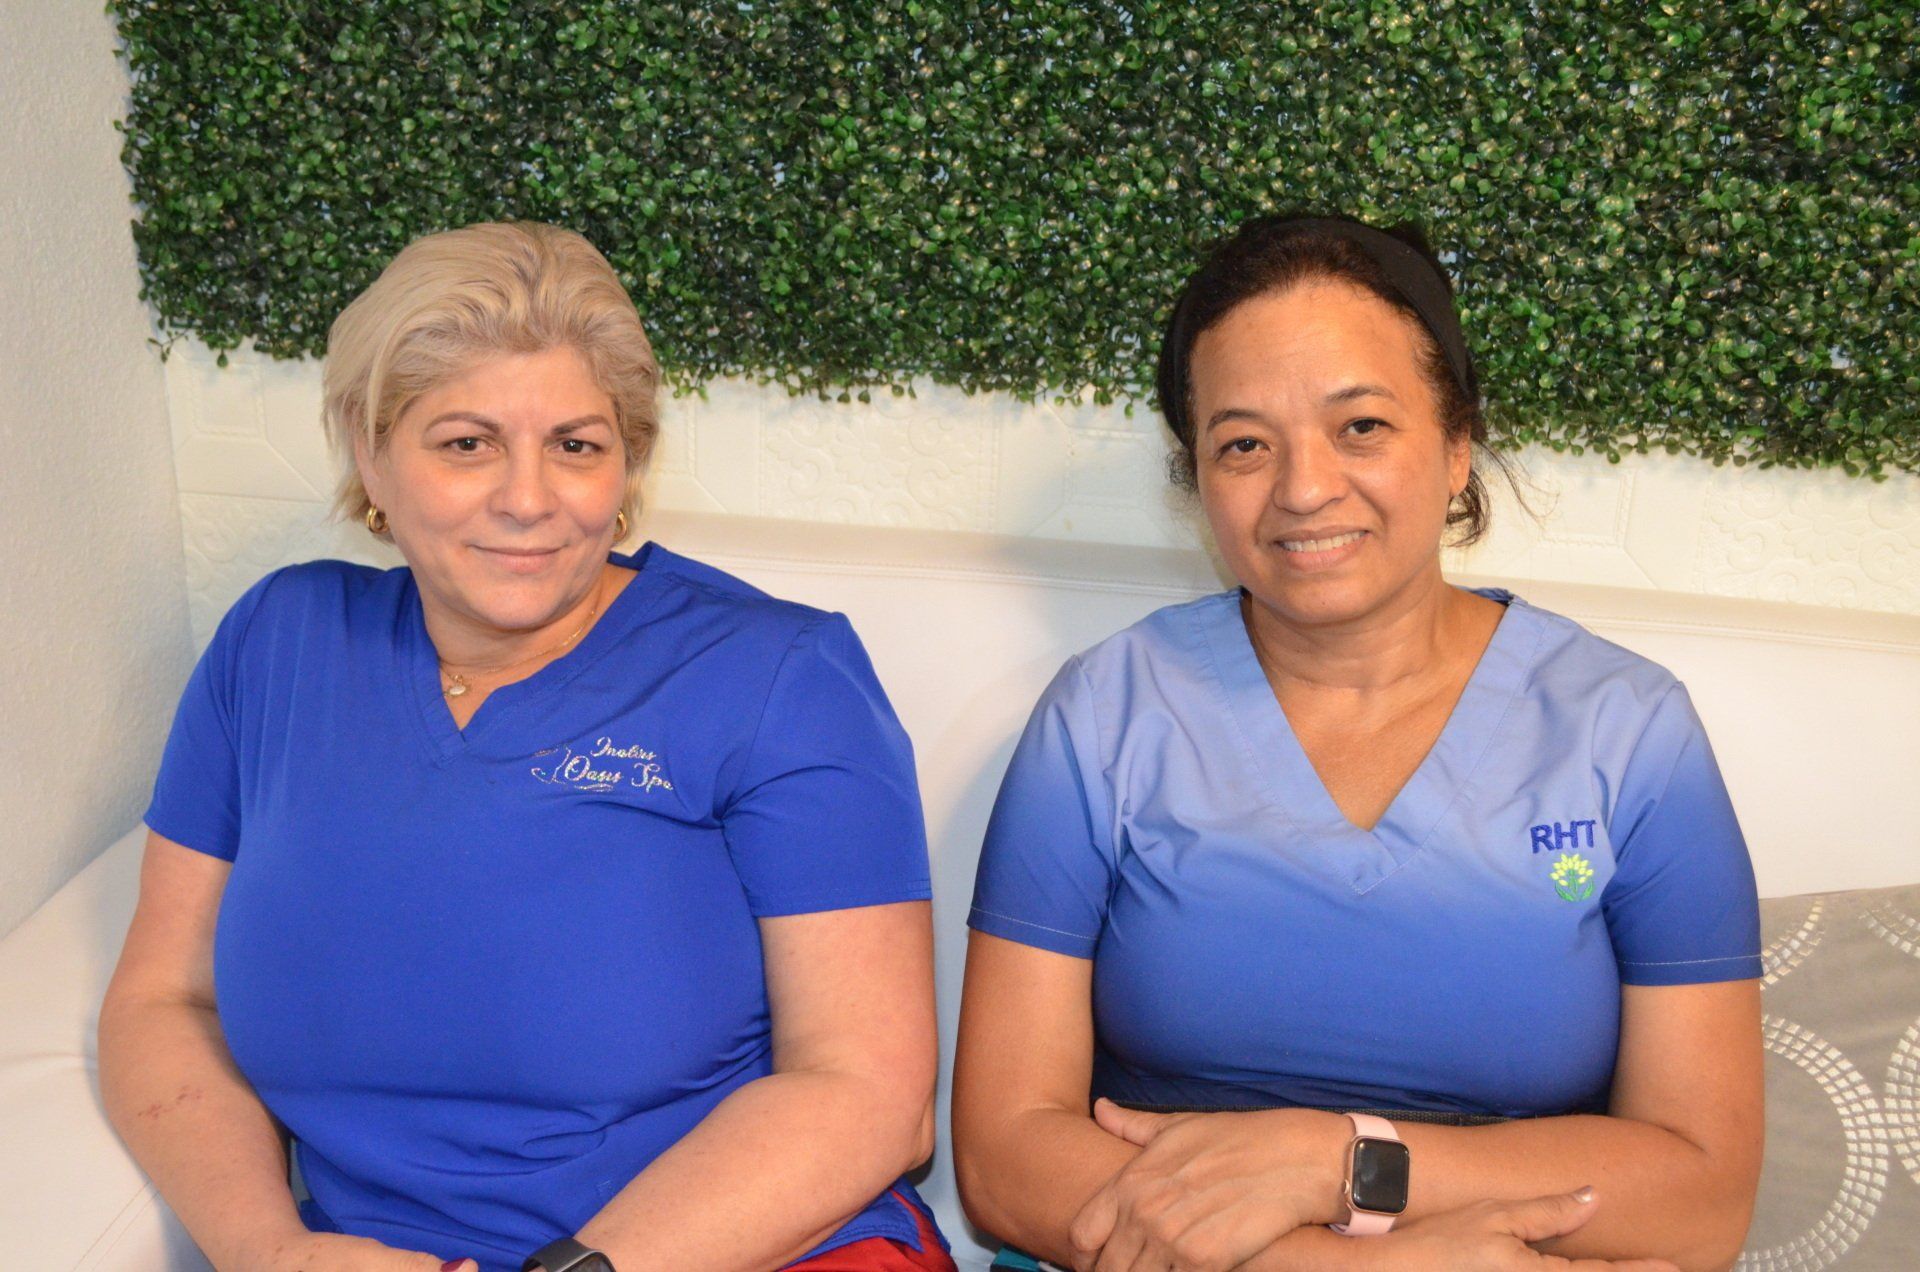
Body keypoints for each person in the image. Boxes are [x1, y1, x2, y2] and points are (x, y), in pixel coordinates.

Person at [98, 222, 955, 1272]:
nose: (528, 497)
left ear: (627, 465)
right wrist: (270, 1251)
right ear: (371, 454)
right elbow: (164, 1003)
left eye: (576, 446)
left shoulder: (780, 677)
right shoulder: (277, 645)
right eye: (467, 443)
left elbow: (870, 1093)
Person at [952, 216, 1763, 1272]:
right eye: (1244, 444)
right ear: (1197, 479)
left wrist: (1338, 1161)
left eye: (1362, 426)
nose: (1302, 488)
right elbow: (1005, 1161)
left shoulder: (1630, 732)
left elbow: (1701, 1196)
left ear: (1458, 444)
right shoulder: (1104, 717)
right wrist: (1353, 1265)